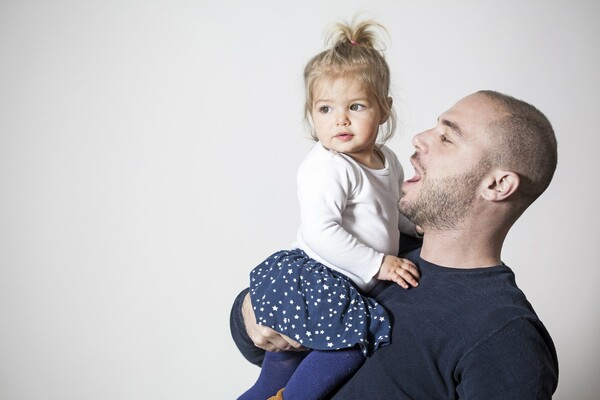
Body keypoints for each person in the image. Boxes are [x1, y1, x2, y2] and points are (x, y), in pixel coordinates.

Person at [231, 90, 560, 399]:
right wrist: (250, 310)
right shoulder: (383, 251)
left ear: (498, 184)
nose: (419, 138)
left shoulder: (505, 337)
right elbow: (261, 348)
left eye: (447, 137)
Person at [237, 18, 422, 400]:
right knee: (354, 339)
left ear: (384, 109)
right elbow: (323, 232)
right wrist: (379, 264)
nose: (340, 119)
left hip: (339, 281)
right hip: (317, 275)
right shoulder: (327, 166)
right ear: (312, 114)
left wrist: (415, 226)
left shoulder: (385, 159)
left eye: (356, 106)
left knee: (280, 370)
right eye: (325, 109)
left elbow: (390, 210)